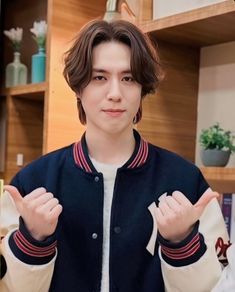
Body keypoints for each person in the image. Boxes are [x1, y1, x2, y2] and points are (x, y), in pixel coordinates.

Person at [0, 19, 230, 292]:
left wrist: (182, 242)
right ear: (78, 87)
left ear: (142, 89)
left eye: (128, 78)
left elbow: (218, 285)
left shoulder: (186, 181)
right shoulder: (31, 184)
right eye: (99, 77)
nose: (115, 94)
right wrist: (33, 239)